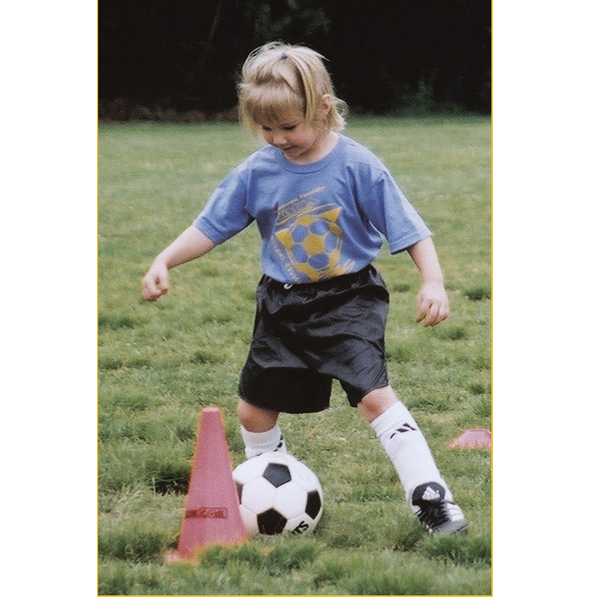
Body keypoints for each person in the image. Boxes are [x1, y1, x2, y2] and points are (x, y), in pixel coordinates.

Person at [142, 42, 467, 534]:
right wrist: (165, 258)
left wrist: (433, 281)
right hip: (282, 304)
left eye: (288, 127)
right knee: (252, 410)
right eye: (266, 130)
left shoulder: (359, 165)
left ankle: (431, 498)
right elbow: (211, 225)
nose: (278, 139)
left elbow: (410, 228)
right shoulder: (258, 171)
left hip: (348, 298)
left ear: (322, 107)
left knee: (374, 395)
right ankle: (270, 485)